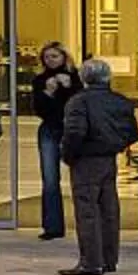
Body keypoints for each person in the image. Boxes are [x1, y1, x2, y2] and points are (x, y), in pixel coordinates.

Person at [55, 57, 138, 275]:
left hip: (86, 159)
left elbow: (75, 133)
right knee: (108, 209)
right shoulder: (120, 101)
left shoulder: (79, 102)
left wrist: (68, 155)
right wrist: (115, 146)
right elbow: (132, 133)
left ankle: (91, 261)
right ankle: (109, 259)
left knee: (87, 210)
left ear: (84, 78)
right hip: (108, 159)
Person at [29, 43, 80, 242]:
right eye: (47, 57)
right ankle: (52, 226)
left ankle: (86, 223)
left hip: (74, 130)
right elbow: (38, 110)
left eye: (54, 56)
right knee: (50, 180)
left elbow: (81, 104)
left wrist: (69, 88)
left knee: (81, 178)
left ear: (64, 57)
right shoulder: (40, 80)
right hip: (50, 130)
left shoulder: (76, 77)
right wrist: (48, 93)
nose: (50, 60)